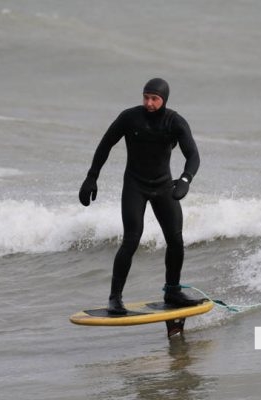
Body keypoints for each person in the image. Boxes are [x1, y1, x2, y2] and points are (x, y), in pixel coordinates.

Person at [79, 78, 203, 314]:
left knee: (175, 239)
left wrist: (185, 179)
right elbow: (105, 145)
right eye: (146, 97)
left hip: (164, 186)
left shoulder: (175, 121)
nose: (149, 103)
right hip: (135, 185)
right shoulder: (129, 117)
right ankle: (115, 298)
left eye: (154, 98)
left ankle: (173, 290)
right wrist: (91, 177)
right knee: (131, 239)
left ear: (164, 100)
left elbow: (193, 155)